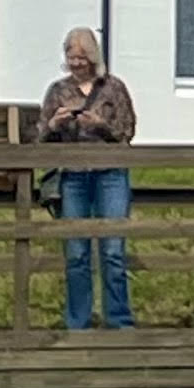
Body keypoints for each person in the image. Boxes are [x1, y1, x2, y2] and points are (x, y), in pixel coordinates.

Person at [39, 25, 136, 329]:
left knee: (113, 251)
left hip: (110, 174)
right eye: (71, 56)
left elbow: (127, 131)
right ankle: (77, 322)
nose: (77, 62)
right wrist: (54, 125)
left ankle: (119, 321)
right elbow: (39, 139)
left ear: (93, 57)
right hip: (73, 177)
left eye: (82, 56)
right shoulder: (57, 91)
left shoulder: (113, 88)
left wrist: (100, 125)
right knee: (77, 253)